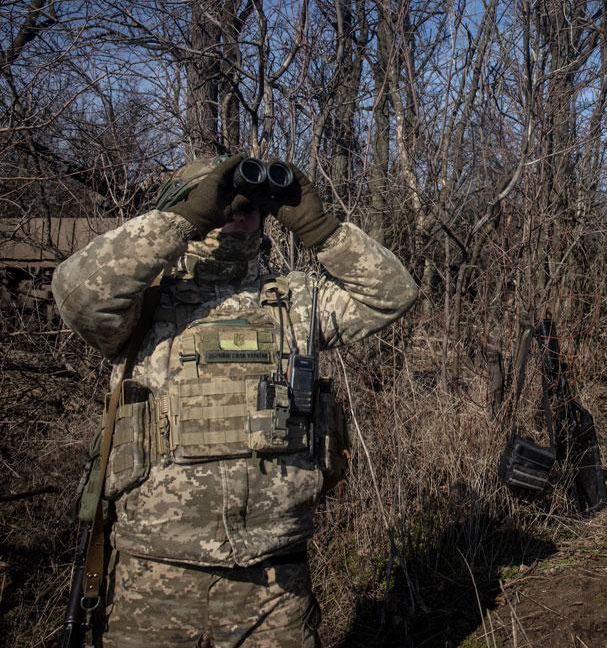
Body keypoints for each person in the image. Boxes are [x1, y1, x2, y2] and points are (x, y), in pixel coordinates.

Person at [52, 154, 417, 647]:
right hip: (155, 578)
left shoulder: (292, 302)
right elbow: (78, 294)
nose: (235, 211)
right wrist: (179, 220)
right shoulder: (143, 303)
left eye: (248, 205)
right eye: (222, 201)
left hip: (273, 579)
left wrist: (321, 229)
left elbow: (392, 294)